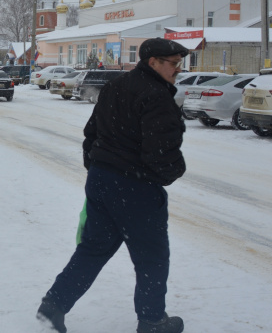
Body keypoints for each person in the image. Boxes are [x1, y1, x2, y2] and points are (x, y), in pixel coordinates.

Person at [37, 38, 189, 333]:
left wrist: (98, 169)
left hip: (101, 180)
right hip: (136, 188)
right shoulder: (156, 96)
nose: (177, 70)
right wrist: (171, 172)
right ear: (153, 62)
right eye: (173, 63)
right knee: (152, 258)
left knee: (93, 248)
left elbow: (92, 133)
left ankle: (54, 304)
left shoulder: (116, 86)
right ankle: (153, 320)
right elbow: (160, 152)